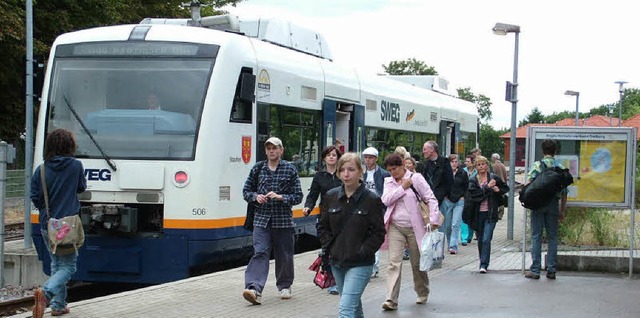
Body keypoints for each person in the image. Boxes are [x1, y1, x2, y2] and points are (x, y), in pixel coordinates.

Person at [318, 152, 386, 318]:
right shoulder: (331, 196)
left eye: (351, 169)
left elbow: (378, 233)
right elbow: (323, 226)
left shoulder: (371, 199)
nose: (346, 174)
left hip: (360, 262)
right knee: (353, 307)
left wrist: (363, 251)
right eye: (342, 170)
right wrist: (329, 246)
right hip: (337, 261)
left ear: (360, 171)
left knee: (346, 309)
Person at [30, 128, 87, 318]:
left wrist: (47, 210)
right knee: (69, 267)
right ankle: (45, 293)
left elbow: (35, 197)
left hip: (48, 223)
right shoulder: (76, 166)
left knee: (56, 264)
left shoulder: (42, 170)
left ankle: (58, 305)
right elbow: (81, 187)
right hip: (67, 224)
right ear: (70, 146)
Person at [242, 137, 303, 304]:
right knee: (260, 252)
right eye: (268, 148)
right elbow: (246, 191)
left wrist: (280, 197)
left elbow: (298, 196)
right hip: (261, 221)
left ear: (281, 150)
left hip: (283, 221)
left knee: (284, 254)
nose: (271, 151)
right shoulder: (258, 168)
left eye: (275, 148)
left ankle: (285, 285)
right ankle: (254, 288)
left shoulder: (290, 170)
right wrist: (256, 197)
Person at [380, 153, 440, 311]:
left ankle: (422, 291)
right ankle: (391, 299)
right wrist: (402, 188)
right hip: (395, 227)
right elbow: (385, 200)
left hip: (416, 227)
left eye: (395, 169)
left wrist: (433, 220)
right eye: (389, 170)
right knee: (394, 263)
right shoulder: (389, 182)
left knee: (416, 262)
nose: (393, 172)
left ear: (402, 166)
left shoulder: (417, 178)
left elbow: (431, 198)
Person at [524, 139, 567, 280]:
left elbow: (529, 184)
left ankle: (535, 270)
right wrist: (562, 210)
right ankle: (551, 269)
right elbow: (564, 191)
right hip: (553, 204)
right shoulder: (560, 167)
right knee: (552, 237)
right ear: (555, 151)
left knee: (536, 236)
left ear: (543, 151)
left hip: (538, 205)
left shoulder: (537, 165)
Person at [303, 145, 343, 295]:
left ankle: (340, 280)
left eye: (334, 155)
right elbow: (313, 195)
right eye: (328, 155)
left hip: (342, 216)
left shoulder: (343, 174)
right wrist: (308, 207)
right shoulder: (319, 176)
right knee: (327, 249)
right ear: (324, 158)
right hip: (325, 217)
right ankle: (331, 279)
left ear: (338, 158)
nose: (331, 157)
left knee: (340, 249)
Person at [466, 155, 509, 273]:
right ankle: (482, 260)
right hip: (478, 214)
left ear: (487, 165)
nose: (481, 167)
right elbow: (475, 196)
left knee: (486, 239)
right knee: (480, 239)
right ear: (476, 167)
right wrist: (488, 188)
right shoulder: (473, 180)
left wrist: (497, 190)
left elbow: (506, 188)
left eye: (483, 164)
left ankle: (484, 264)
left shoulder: (493, 177)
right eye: (479, 165)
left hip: (490, 213)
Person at [362, 146, 390, 277]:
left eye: (370, 158)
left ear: (376, 159)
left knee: (375, 236)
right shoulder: (361, 173)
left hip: (377, 208)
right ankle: (367, 264)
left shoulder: (383, 174)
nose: (367, 160)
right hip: (363, 208)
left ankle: (374, 266)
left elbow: (387, 192)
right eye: (366, 157)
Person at [440, 154, 469, 254]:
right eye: (452, 162)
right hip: (447, 200)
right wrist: (444, 196)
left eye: (456, 162)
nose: (454, 164)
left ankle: (453, 245)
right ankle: (449, 243)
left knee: (455, 223)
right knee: (447, 225)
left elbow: (466, 186)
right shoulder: (445, 173)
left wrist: (463, 197)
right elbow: (441, 185)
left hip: (459, 201)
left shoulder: (462, 173)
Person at [460, 154, 477, 246]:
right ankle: (464, 238)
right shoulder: (463, 171)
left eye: (468, 161)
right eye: (465, 161)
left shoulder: (477, 172)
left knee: (472, 216)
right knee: (463, 217)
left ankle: (470, 235)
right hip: (464, 196)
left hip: (474, 197)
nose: (466, 163)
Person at [491, 153, 508, 220]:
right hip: (502, 184)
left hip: (496, 185)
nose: (492, 159)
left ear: (494, 158)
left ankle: (495, 214)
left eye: (492, 157)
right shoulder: (503, 165)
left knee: (496, 199)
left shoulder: (494, 166)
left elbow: (492, 175)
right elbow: (505, 176)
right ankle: (500, 214)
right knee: (502, 200)